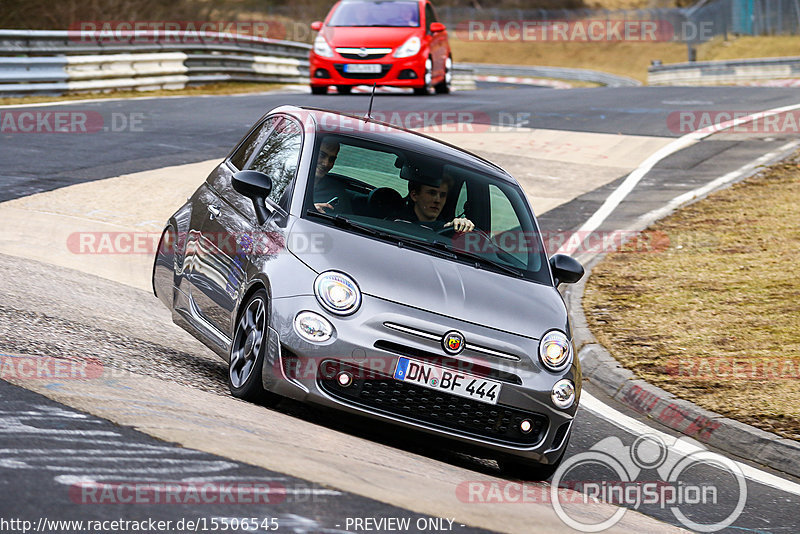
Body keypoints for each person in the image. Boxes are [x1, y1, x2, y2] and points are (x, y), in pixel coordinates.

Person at [398, 178, 474, 232]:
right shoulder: (394, 222)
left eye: (443, 195)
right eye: (432, 193)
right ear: (414, 195)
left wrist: (461, 226)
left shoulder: (448, 228)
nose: (438, 200)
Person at [312, 139, 351, 214]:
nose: (326, 164)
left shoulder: (337, 194)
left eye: (332, 159)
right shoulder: (288, 179)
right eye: (321, 155)